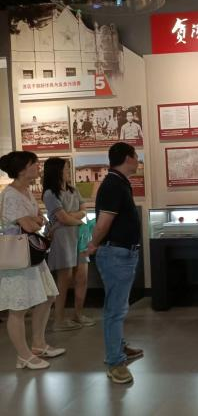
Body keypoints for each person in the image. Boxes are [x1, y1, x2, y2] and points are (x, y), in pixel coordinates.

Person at [85, 142, 143, 384]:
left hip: (123, 253)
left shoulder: (119, 182)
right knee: (115, 310)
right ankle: (114, 362)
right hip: (115, 254)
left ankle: (118, 347)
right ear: (127, 158)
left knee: (119, 307)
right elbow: (103, 223)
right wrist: (93, 244)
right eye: (136, 156)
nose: (138, 161)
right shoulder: (112, 184)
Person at [0, 151, 64, 370]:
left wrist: (34, 220)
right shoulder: (11, 194)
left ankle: (38, 344)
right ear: (21, 169)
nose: (38, 167)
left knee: (48, 296)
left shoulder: (26, 191)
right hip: (18, 257)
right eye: (34, 164)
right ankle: (23, 355)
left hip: (32, 253)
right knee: (18, 307)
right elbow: (29, 225)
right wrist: (34, 221)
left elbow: (39, 219)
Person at [42, 157, 95, 332]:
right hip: (62, 239)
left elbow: (83, 211)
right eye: (65, 168)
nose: (67, 171)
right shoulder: (50, 193)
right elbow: (63, 218)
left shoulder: (73, 190)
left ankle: (78, 314)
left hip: (79, 237)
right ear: (56, 171)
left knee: (82, 277)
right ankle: (59, 320)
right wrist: (76, 219)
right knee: (64, 279)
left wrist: (70, 217)